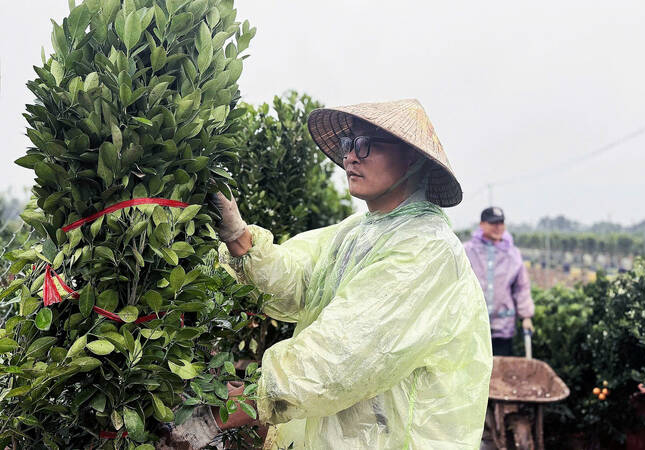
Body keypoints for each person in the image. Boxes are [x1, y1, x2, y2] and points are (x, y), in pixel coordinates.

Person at [163, 99, 492, 449]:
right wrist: (239, 238)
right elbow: (297, 283)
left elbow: (340, 356)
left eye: (365, 145)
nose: (350, 156)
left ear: (411, 158)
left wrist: (225, 412)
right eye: (349, 145)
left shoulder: (427, 249)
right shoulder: (356, 233)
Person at [463, 207, 534, 357]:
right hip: (473, 325)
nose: (498, 227)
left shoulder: (512, 254)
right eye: (493, 223)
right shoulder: (467, 251)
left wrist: (526, 316)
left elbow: (521, 287)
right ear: (482, 225)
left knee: (500, 367)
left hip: (503, 326)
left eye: (501, 223)